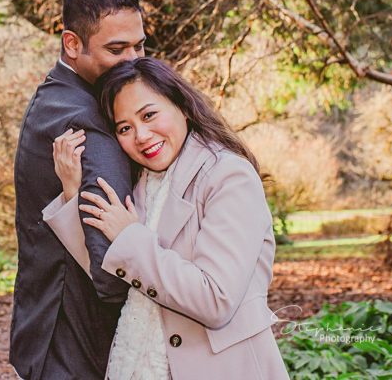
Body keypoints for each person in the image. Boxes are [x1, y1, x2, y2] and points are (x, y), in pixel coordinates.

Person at [44, 58, 290, 380]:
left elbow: (215, 300)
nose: (142, 136)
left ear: (182, 106)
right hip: (134, 364)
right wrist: (72, 190)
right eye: (125, 128)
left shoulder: (229, 176)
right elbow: (113, 271)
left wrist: (130, 237)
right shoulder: (144, 185)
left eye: (149, 115)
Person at [10, 0, 149, 380]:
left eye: (139, 45)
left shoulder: (52, 95)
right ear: (72, 44)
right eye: (116, 49)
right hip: (81, 346)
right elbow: (113, 271)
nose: (133, 60)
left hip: (45, 332)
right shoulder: (86, 120)